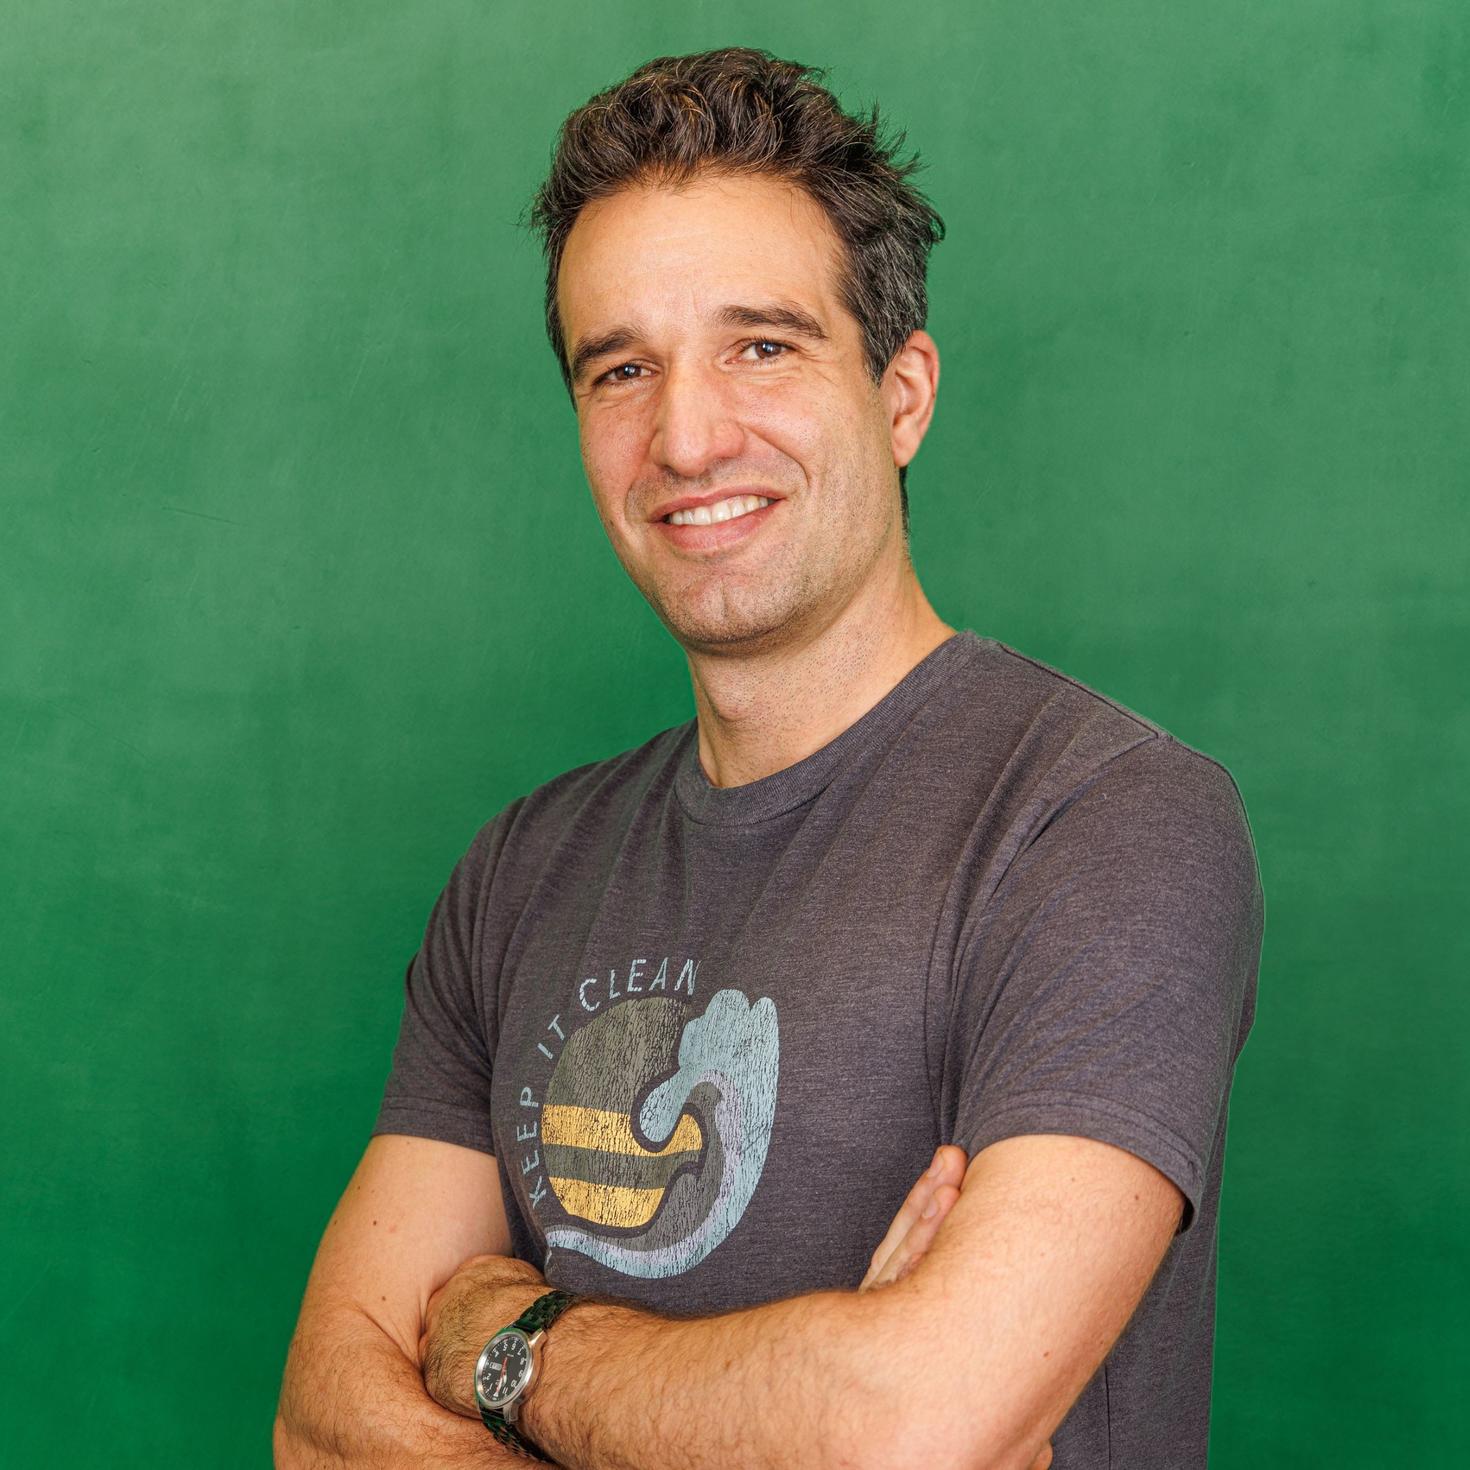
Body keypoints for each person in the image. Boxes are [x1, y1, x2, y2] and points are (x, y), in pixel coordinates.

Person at [275, 45, 1263, 1470]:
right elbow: (319, 1423)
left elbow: (907, 1424)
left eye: (760, 344)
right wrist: (792, 1403)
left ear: (902, 390)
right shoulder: (521, 870)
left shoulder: (1098, 821)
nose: (684, 434)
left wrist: (507, 1339)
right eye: (622, 367)